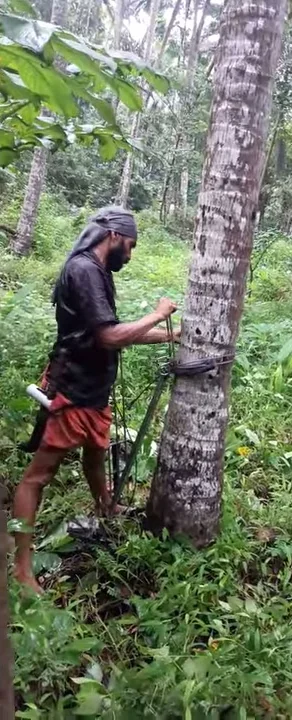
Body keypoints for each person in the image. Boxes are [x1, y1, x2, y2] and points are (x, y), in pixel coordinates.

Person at [13, 206, 179, 593]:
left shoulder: (96, 270)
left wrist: (170, 335)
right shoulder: (85, 270)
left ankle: (105, 505)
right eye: (131, 246)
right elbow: (109, 337)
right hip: (73, 388)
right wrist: (157, 316)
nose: (131, 255)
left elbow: (115, 331)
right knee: (39, 476)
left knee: (95, 452)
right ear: (114, 236)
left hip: (93, 387)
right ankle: (22, 568)